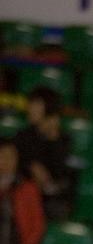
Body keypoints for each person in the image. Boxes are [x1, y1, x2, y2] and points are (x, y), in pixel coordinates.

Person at [15, 87, 73, 219]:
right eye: (30, 104)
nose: (29, 108)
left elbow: (61, 172)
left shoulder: (63, 139)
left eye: (35, 104)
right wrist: (31, 166)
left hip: (51, 198)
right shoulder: (22, 136)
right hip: (26, 195)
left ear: (48, 108)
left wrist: (54, 139)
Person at [0, 140, 45, 244]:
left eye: (11, 157)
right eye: (2, 156)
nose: (7, 161)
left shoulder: (28, 188)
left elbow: (38, 224)